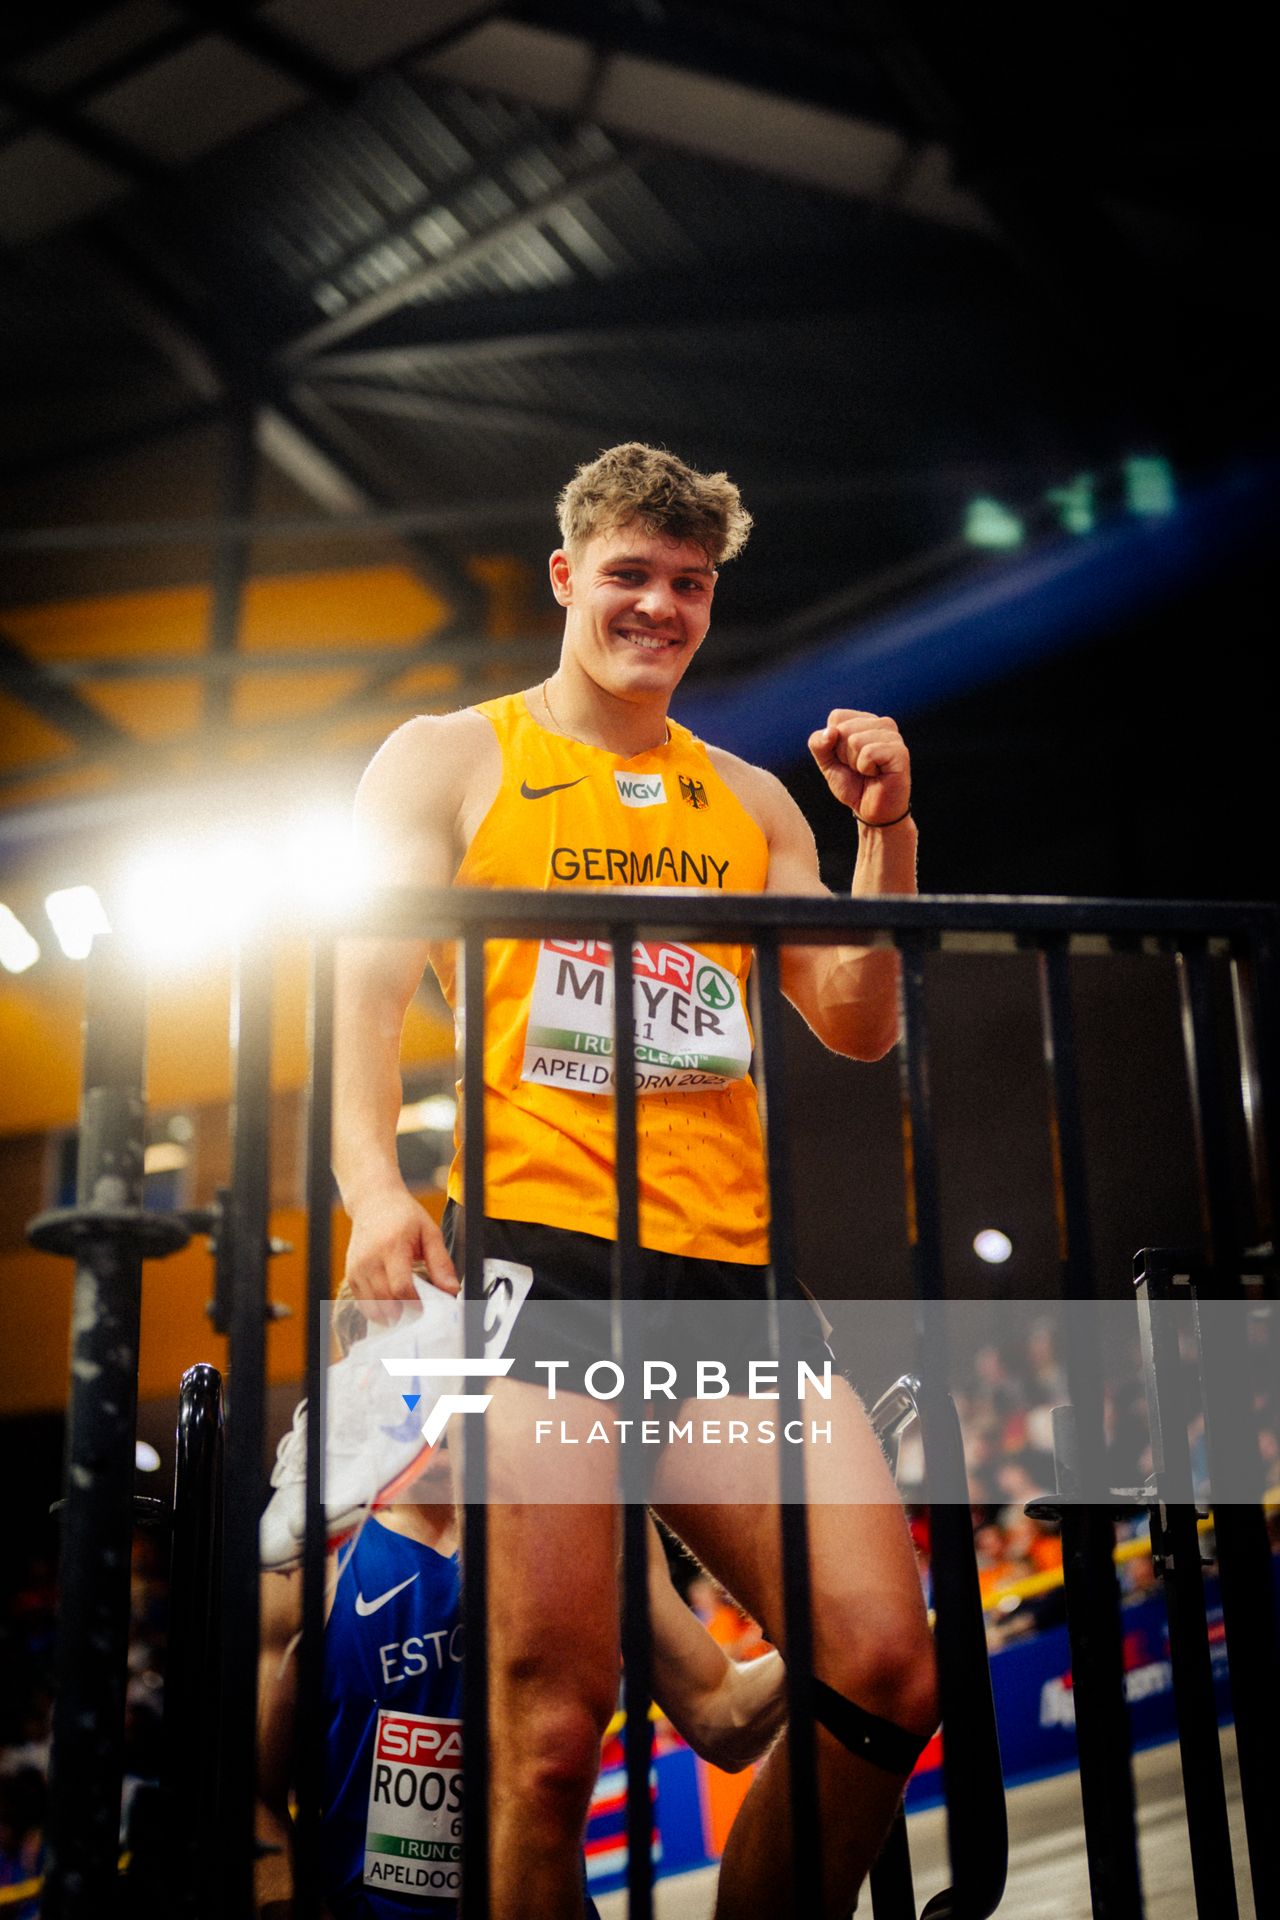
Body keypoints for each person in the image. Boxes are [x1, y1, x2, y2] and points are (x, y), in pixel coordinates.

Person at [334, 442, 939, 1918]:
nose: (659, 606)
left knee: (882, 1663)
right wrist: (373, 1185)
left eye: (689, 584)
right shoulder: (449, 757)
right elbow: (361, 989)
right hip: (540, 1274)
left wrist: (885, 832)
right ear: (565, 577)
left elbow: (857, 1018)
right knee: (547, 1743)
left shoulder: (749, 801)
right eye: (629, 574)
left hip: (727, 1285)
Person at [256, 1385, 786, 1916]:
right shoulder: (304, 1561)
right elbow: (250, 1797)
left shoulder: (588, 1516)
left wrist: (826, 1639)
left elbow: (722, 1715)